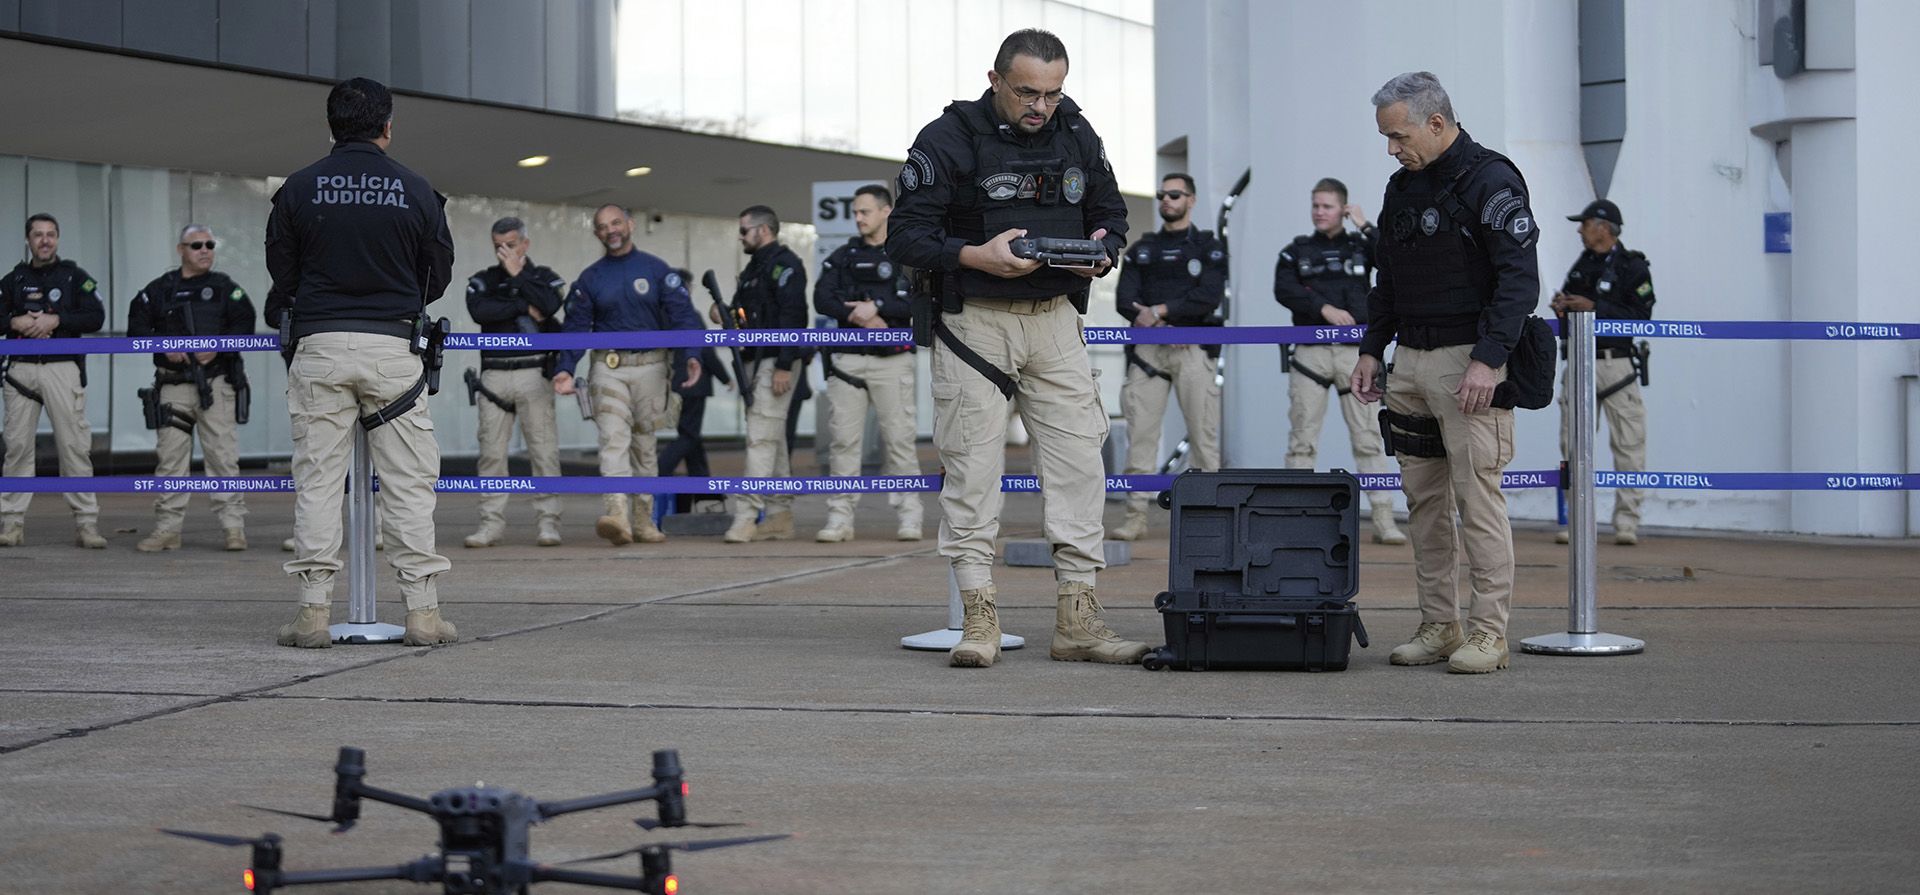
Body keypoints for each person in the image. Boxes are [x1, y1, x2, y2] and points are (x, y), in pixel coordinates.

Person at [887, 28, 1149, 669]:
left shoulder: (1077, 132)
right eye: (1028, 92)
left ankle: (1079, 622)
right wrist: (976, 255)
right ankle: (978, 620)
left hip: (1055, 318)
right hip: (974, 321)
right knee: (972, 469)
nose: (1041, 106)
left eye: (1053, 93)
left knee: (1081, 468)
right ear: (995, 79)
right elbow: (906, 237)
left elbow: (1111, 210)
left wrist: (1101, 247)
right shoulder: (944, 139)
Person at [1348, 71, 1539, 675]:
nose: (1392, 148)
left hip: (1469, 365)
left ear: (1436, 122)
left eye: (1399, 135)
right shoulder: (1400, 187)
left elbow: (1518, 282)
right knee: (1424, 503)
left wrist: (1488, 359)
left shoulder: (1491, 179)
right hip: (1411, 364)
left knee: (1477, 500)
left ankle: (1487, 634)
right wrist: (1372, 350)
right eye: (1386, 138)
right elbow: (1388, 279)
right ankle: (1439, 623)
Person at [266, 77, 456, 648]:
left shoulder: (298, 189)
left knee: (319, 484)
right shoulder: (418, 190)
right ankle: (422, 614)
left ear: (331, 127)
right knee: (408, 485)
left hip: (320, 347)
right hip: (393, 352)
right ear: (387, 127)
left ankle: (312, 615)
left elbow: (284, 276)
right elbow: (438, 276)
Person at [552, 204, 702, 546]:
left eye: (616, 223)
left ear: (630, 225)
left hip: (652, 368)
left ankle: (643, 519)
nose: (611, 230)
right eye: (603, 226)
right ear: (596, 233)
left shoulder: (656, 269)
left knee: (645, 447)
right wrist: (565, 368)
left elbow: (682, 314)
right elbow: (576, 327)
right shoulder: (590, 278)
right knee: (612, 439)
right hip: (608, 368)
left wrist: (692, 355)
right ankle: (616, 514)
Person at [1273, 177, 1406, 545]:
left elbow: (1394, 259)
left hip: (1356, 355)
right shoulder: (1295, 250)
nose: (1319, 212)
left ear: (1343, 209)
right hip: (1309, 355)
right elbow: (1284, 289)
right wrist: (1323, 308)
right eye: (1315, 205)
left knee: (1368, 440)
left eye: (1328, 206)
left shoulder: (1362, 246)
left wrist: (1365, 225)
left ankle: (1383, 519)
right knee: (1302, 440)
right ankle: (1295, 522)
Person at [127, 224, 258, 552]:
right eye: (197, 244)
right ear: (180, 250)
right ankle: (168, 529)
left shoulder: (225, 287)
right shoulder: (160, 289)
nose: (205, 250)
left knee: (223, 456)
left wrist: (218, 347)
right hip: (173, 384)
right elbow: (136, 330)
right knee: (170, 460)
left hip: (215, 381)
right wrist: (163, 346)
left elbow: (246, 324)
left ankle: (233, 528)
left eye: (210, 244)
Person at [1110, 173, 1224, 541]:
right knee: (1140, 435)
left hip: (1193, 347)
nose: (1166, 200)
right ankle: (1135, 516)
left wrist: (1160, 311)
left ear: (1191, 199)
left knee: (1203, 437)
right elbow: (1124, 300)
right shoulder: (1143, 248)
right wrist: (1162, 324)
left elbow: (1208, 297)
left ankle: (1211, 517)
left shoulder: (1209, 246)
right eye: (1161, 195)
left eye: (1174, 195)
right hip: (1150, 350)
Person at [812, 184, 925, 543]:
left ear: (886, 211)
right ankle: (839, 518)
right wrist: (861, 315)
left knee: (900, 442)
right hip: (847, 361)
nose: (858, 218)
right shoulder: (845, 255)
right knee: (843, 443)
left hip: (892, 362)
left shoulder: (907, 255)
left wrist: (878, 307)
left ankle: (910, 516)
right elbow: (822, 298)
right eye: (855, 212)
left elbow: (919, 304)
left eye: (865, 211)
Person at [0, 213, 107, 549]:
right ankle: (11, 524)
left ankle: (86, 525)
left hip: (63, 368)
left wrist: (56, 319)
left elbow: (96, 317)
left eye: (51, 234)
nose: (44, 240)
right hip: (21, 371)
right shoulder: (12, 280)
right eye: (38, 234)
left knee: (74, 447)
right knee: (17, 447)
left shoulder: (75, 277)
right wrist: (15, 322)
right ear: (28, 240)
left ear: (58, 239)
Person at [1551, 199, 1654, 546]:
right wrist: (1563, 307)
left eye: (1585, 224)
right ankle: (1579, 521)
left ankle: (1627, 523)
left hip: (1617, 363)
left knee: (1628, 443)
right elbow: (1570, 303)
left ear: (1603, 227)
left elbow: (1642, 317)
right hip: (1579, 361)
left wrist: (1595, 308)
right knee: (1573, 446)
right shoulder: (1582, 265)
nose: (1580, 230)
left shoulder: (1632, 266)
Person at [463, 216, 567, 549]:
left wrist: (519, 276)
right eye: (497, 246)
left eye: (509, 244)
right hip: (493, 376)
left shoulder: (544, 276)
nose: (503, 251)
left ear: (524, 243)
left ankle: (548, 523)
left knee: (544, 451)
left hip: (534, 373)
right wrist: (524, 303)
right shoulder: (483, 279)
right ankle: (490, 524)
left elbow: (551, 305)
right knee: (491, 454)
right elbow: (481, 311)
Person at [719, 205, 809, 543]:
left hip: (775, 362)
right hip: (752, 361)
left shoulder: (786, 264)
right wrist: (726, 312)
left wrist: (785, 364)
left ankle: (746, 515)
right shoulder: (754, 267)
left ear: (763, 230)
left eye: (744, 230)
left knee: (760, 438)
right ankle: (779, 514)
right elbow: (744, 312)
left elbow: (794, 315)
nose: (740, 236)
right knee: (770, 438)